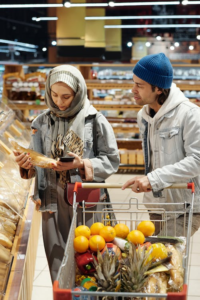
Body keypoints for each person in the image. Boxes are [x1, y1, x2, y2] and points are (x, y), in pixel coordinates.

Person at [13, 65, 120, 282]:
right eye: (54, 95)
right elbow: (36, 161)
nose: (59, 102)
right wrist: (27, 164)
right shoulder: (41, 123)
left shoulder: (94, 121)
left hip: (86, 204)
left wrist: (82, 165)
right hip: (52, 203)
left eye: (66, 96)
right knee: (58, 267)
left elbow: (112, 161)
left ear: (78, 93)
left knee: (90, 266)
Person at [122, 52, 200, 237]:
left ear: (158, 89)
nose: (133, 89)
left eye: (139, 85)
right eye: (134, 83)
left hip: (185, 205)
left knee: (166, 256)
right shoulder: (143, 115)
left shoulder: (190, 115)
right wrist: (147, 179)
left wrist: (153, 179)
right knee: (153, 261)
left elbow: (197, 160)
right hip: (156, 204)